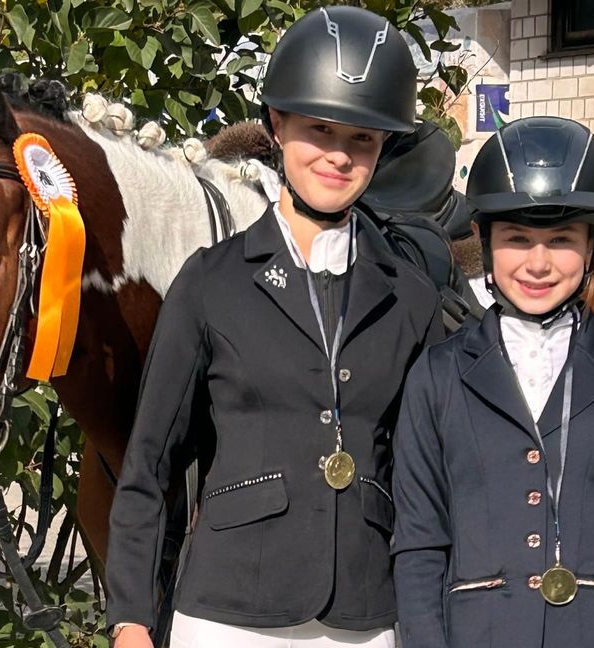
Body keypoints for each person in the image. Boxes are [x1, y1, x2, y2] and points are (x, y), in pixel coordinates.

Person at [104, 6, 445, 648]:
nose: (339, 157)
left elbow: (429, 478)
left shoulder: (412, 300)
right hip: (229, 615)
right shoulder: (209, 283)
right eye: (319, 129)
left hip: (367, 619)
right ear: (276, 123)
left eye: (362, 140)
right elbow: (151, 464)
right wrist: (130, 619)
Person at [390, 116, 594, 648]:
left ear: (593, 243)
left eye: (562, 239)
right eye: (518, 238)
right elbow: (419, 545)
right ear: (483, 239)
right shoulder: (436, 377)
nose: (539, 263)